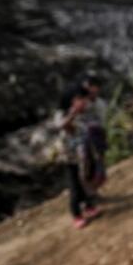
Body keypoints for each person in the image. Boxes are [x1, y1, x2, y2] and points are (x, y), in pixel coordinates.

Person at [54, 85, 100, 229]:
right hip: (70, 157)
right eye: (79, 99)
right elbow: (64, 126)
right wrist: (73, 114)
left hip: (83, 153)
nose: (84, 102)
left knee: (86, 180)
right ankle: (77, 215)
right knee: (75, 185)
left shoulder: (84, 113)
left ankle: (88, 205)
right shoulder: (62, 114)